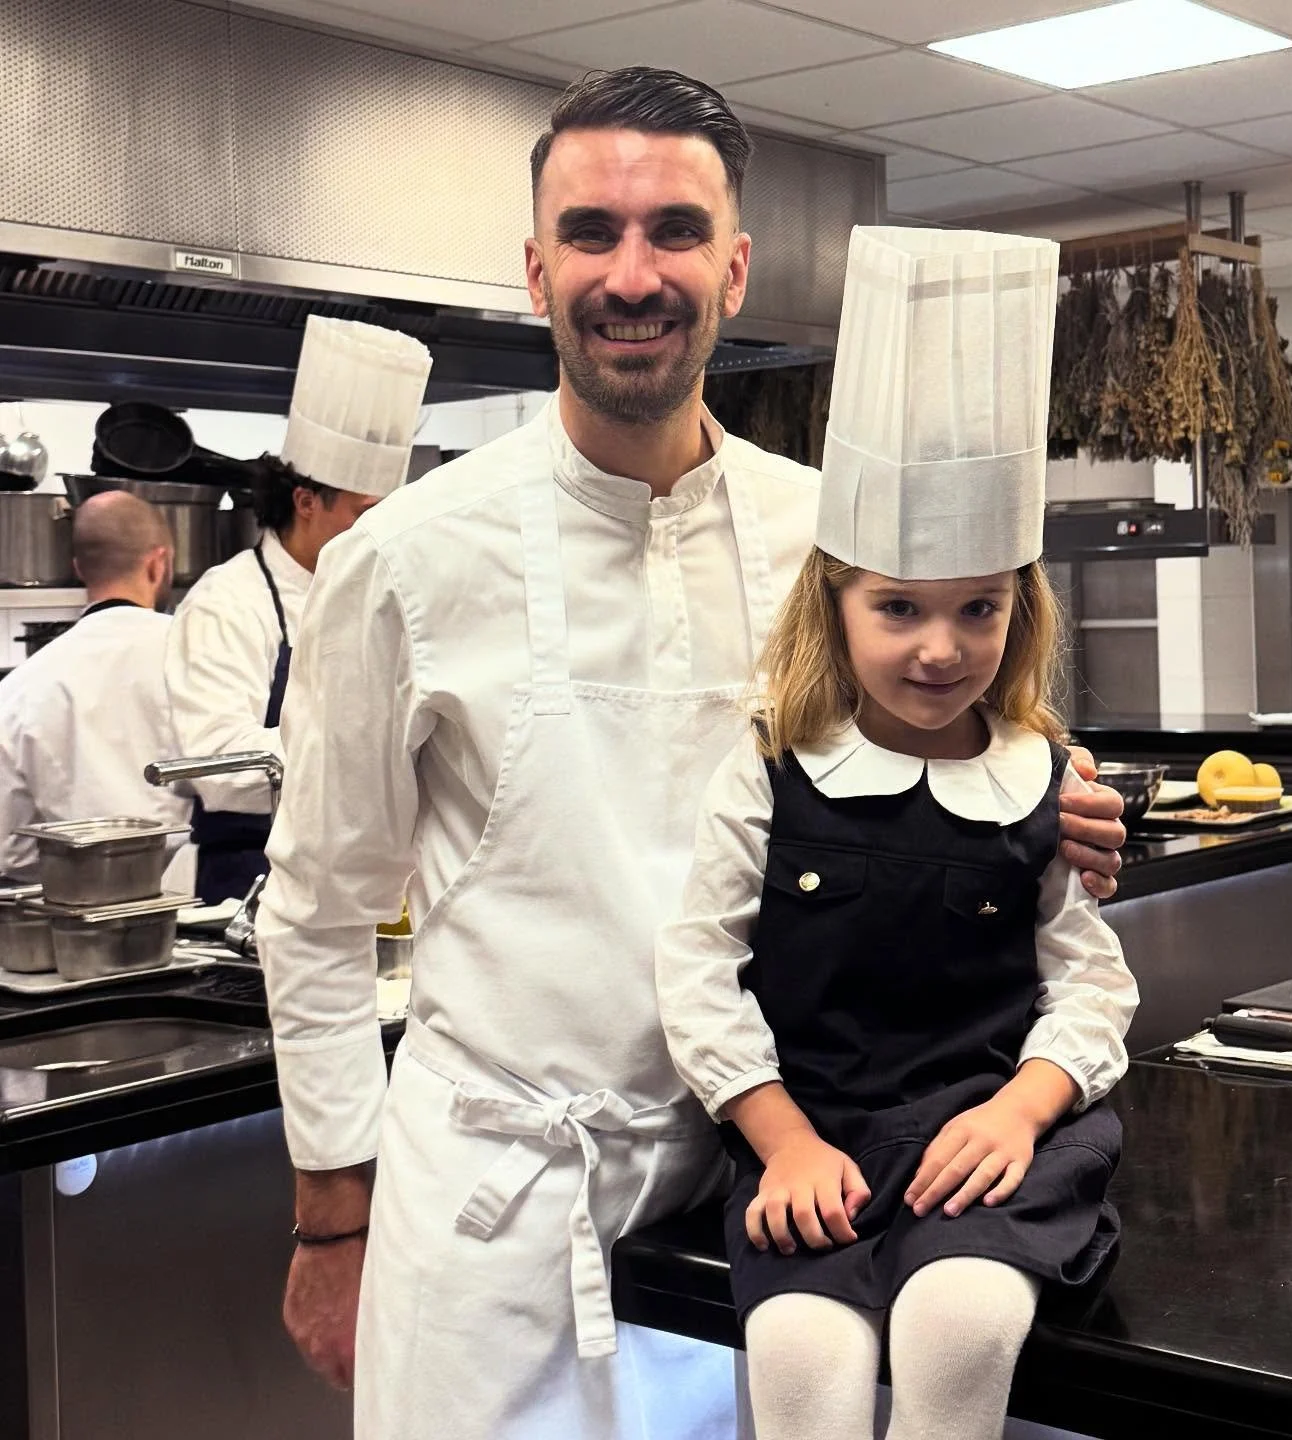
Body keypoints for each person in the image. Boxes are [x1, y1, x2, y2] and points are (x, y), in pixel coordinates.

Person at [255, 69, 1128, 1440]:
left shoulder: (834, 545)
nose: (632, 272)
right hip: (499, 1214)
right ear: (537, 268)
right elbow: (317, 910)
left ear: (733, 269)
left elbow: (963, 750)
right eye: (592, 233)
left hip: (785, 1202)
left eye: (672, 231)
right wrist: (329, 1221)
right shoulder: (405, 560)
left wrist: (1051, 816)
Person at [656, 226, 1139, 1440]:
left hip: (992, 1144)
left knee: (959, 1322)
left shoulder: (1037, 775)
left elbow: (1092, 985)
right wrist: (778, 1145)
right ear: (838, 603)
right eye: (900, 610)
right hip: (816, 1140)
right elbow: (697, 972)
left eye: (979, 609)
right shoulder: (772, 766)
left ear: (1019, 611)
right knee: (802, 1351)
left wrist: (1025, 1108)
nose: (942, 647)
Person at [165, 316, 431, 903]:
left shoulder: (396, 593)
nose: (380, 534)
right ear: (306, 502)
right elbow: (216, 764)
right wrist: (367, 751)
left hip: (380, 884)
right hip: (253, 888)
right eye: (364, 514)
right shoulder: (228, 601)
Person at [0, 491, 194, 889]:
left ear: (78, 570)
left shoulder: (21, 686)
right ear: (158, 564)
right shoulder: (200, 654)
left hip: (79, 916)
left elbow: (10, 849)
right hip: (202, 897)